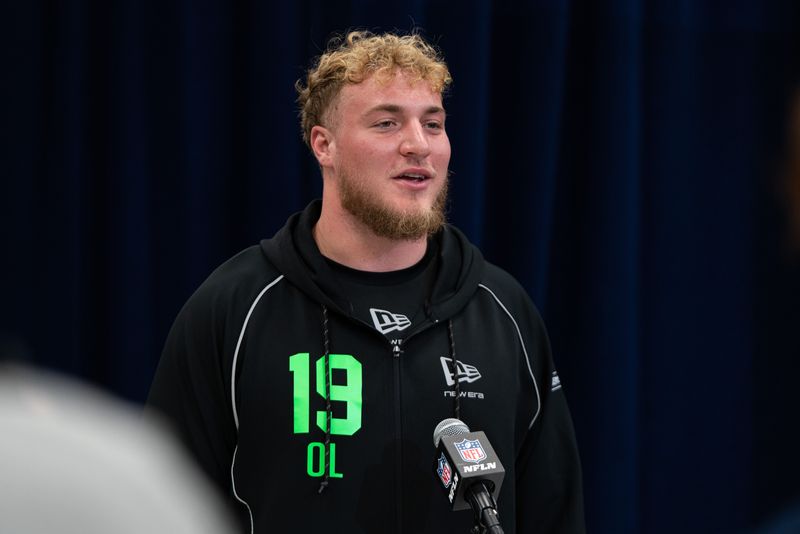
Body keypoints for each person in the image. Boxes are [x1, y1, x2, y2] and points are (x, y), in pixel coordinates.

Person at [147, 30, 585, 534]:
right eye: (386, 123)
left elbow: (555, 513)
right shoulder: (235, 307)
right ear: (323, 145)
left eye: (433, 123)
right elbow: (161, 505)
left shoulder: (503, 311)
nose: (418, 144)